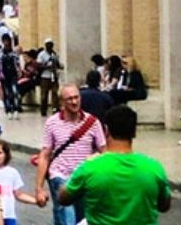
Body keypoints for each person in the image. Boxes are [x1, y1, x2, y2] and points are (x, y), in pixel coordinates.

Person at [58, 105, 170, 225]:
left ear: (106, 130)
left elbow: (64, 198)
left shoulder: (90, 168)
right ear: (134, 132)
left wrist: (81, 167)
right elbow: (164, 205)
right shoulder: (154, 168)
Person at [36, 84, 106, 225]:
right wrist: (39, 188)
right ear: (61, 102)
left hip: (84, 178)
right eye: (69, 99)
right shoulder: (52, 123)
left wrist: (97, 158)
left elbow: (105, 152)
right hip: (60, 176)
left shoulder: (93, 122)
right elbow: (45, 155)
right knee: (67, 217)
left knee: (83, 219)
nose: (74, 102)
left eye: (76, 98)